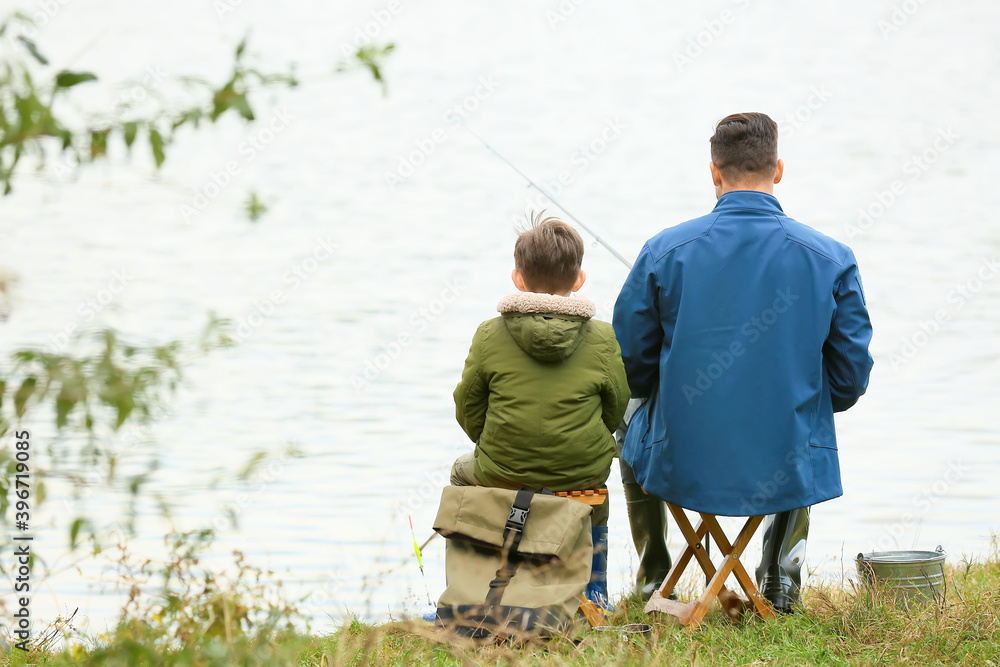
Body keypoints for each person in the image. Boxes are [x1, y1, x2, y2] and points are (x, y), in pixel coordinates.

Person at [612, 112, 874, 612]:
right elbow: (850, 376)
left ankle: (653, 580)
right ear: (778, 169)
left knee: (625, 419)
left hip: (681, 460)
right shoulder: (832, 257)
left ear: (714, 172)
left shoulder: (664, 250)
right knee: (807, 413)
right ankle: (779, 581)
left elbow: (631, 367)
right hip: (784, 457)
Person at [451, 211, 630, 610]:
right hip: (580, 471)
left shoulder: (489, 333)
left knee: (461, 473)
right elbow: (615, 408)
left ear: (518, 277)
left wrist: (496, 441)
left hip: (502, 470)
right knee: (597, 492)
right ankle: (594, 592)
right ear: (578, 279)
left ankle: (475, 591)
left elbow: (467, 407)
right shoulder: (602, 336)